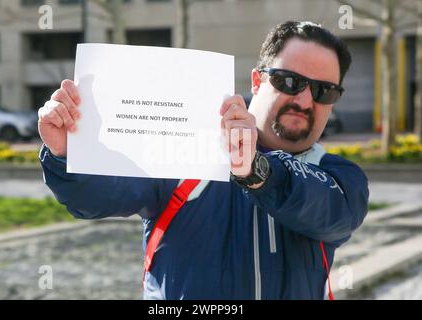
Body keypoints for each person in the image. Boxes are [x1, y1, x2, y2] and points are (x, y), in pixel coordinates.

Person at [38, 21, 369, 300]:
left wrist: (258, 170)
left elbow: (333, 215)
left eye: (324, 90)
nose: (305, 99)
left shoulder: (337, 175)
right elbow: (97, 195)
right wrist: (69, 153)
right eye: (290, 81)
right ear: (257, 80)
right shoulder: (186, 146)